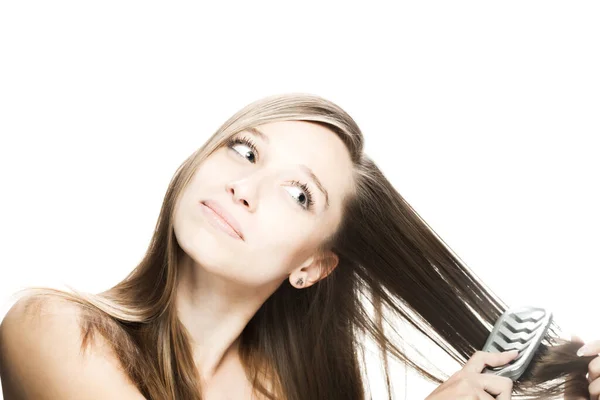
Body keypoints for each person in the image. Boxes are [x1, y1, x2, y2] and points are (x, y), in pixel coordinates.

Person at [0, 93, 596, 399]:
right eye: (245, 150)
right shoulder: (51, 326)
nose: (246, 188)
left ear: (312, 265)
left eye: (298, 194)